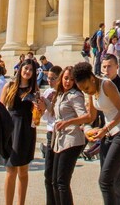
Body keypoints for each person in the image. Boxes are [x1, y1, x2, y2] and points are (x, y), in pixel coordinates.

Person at [74, 61, 120, 205]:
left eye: (86, 87)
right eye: (83, 90)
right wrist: (83, 127)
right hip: (110, 134)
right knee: (116, 181)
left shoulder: (106, 85)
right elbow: (91, 117)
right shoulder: (92, 91)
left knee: (105, 181)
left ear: (92, 78)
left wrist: (104, 129)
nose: (86, 91)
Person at [44, 66, 89, 205]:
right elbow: (54, 112)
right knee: (54, 181)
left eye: (71, 79)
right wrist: (43, 102)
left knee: (62, 182)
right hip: (60, 140)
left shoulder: (76, 95)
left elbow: (85, 116)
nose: (67, 81)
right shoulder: (60, 94)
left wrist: (68, 122)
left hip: (72, 140)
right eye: (65, 78)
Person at [2, 59, 42, 205]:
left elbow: (39, 114)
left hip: (26, 130)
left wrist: (39, 108)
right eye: (26, 69)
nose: (28, 72)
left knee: (23, 170)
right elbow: (1, 109)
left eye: (31, 70)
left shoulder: (34, 91)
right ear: (20, 69)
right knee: (10, 170)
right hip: (12, 129)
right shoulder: (9, 86)